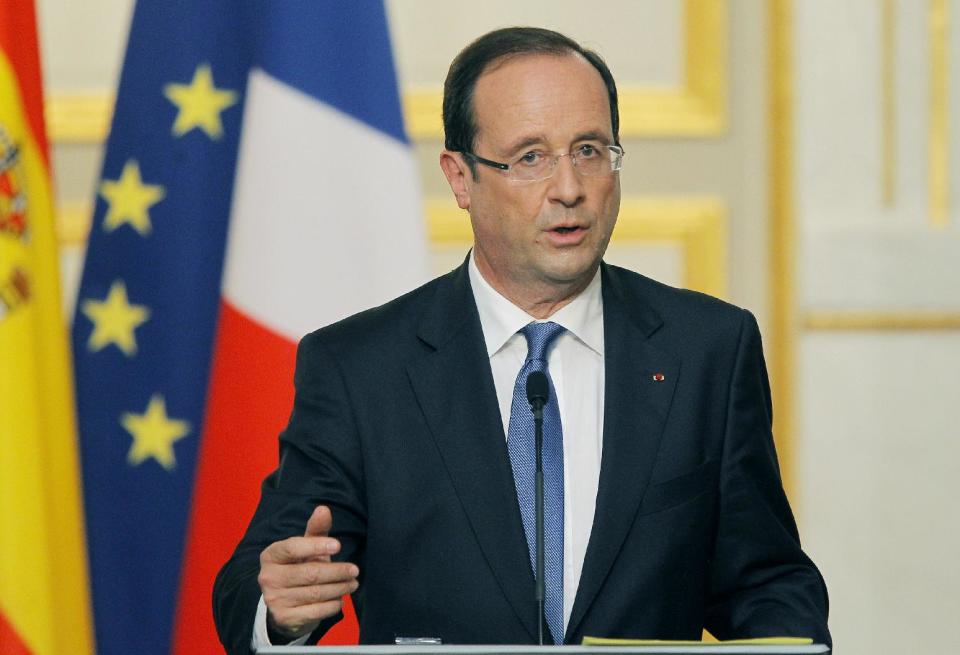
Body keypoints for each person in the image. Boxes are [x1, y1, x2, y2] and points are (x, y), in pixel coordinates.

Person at [213, 27, 830, 653]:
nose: (569, 188)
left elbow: (764, 581)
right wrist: (282, 612)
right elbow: (254, 585)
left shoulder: (709, 350)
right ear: (460, 178)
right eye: (530, 157)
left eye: (589, 150)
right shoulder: (359, 368)